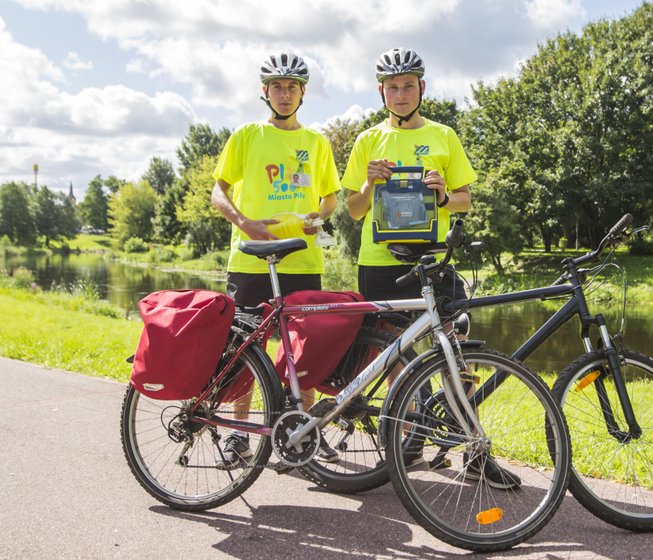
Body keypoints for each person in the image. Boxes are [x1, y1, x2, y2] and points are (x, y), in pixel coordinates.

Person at [341, 47, 521, 490]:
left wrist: (443, 194)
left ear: (422, 88)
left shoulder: (444, 135)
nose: (400, 94)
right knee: (393, 353)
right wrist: (368, 183)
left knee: (457, 348)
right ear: (380, 91)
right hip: (380, 263)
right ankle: (412, 438)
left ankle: (475, 453)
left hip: (433, 260)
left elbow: (466, 200)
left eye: (408, 86)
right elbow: (353, 210)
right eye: (392, 87)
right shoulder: (367, 140)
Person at [211, 52, 340, 466]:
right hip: (250, 259)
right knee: (245, 347)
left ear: (303, 92)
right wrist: (245, 223)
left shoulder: (316, 143)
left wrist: (318, 217)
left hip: (302, 260)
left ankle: (305, 433)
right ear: (264, 91)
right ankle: (239, 436)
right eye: (277, 87)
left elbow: (331, 198)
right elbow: (218, 192)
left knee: (308, 349)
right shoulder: (246, 135)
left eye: (292, 87)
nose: (284, 94)